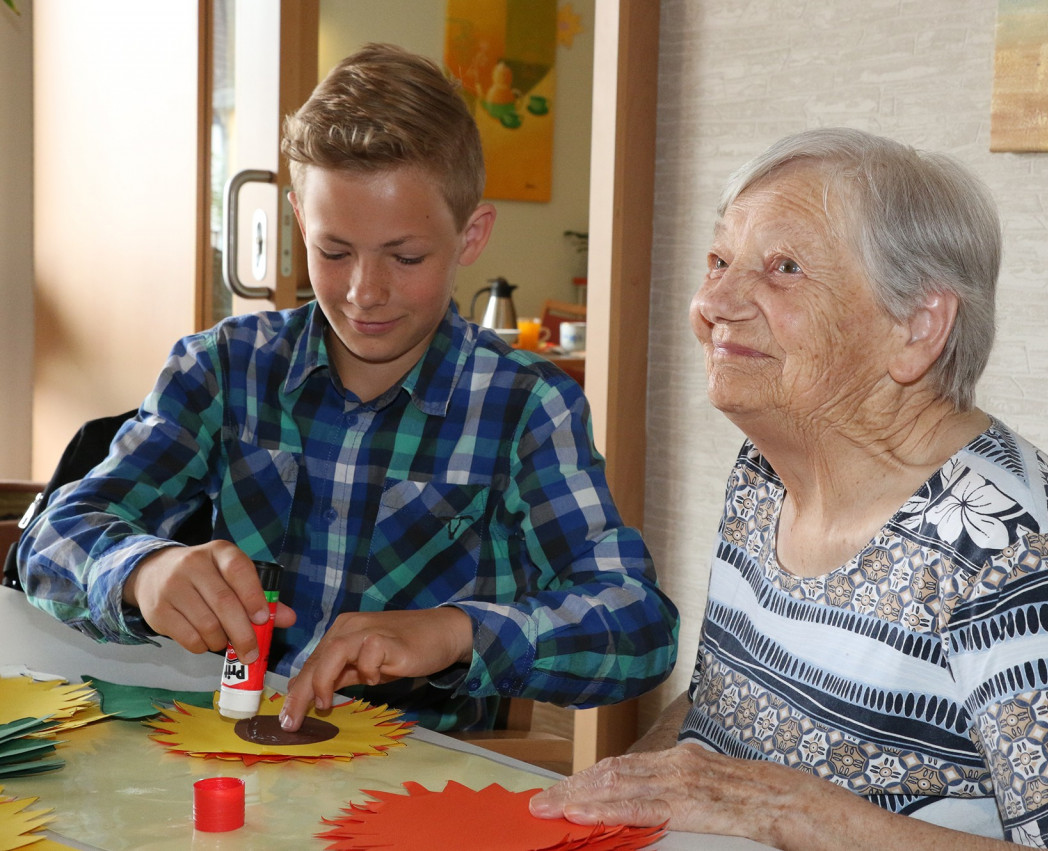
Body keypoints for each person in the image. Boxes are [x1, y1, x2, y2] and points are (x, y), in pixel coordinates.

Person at [530, 128, 1048, 850]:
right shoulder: (765, 471)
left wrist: (805, 814)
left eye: (783, 268)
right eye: (719, 259)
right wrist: (625, 791)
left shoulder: (998, 540)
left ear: (916, 325)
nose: (712, 300)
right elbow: (716, 714)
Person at [17, 43, 678, 734]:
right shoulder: (222, 369)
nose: (365, 291)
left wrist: (456, 631)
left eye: (406, 255)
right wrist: (141, 571)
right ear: (301, 220)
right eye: (334, 251)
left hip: (408, 799)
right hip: (229, 766)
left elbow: (639, 625)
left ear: (471, 234)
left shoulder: (525, 406)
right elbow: (50, 538)